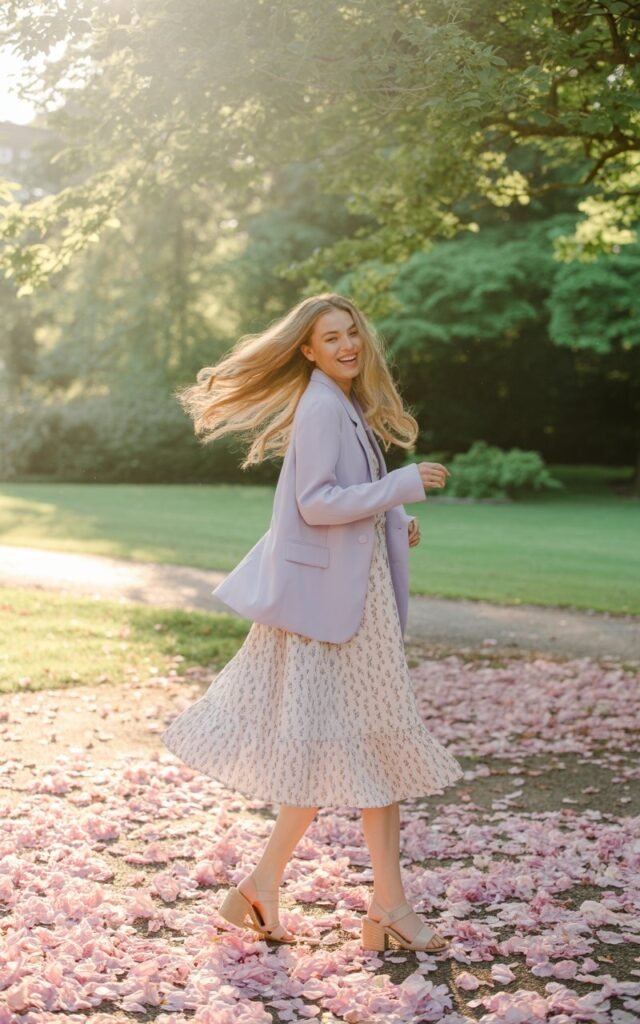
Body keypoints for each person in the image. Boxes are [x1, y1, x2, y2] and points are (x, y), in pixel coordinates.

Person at [161, 292, 464, 953]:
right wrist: (401, 484)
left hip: (352, 605)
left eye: (352, 332)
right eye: (331, 338)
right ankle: (378, 905)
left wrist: (393, 520)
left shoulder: (343, 403)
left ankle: (272, 890)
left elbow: (345, 502)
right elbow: (316, 503)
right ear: (308, 349)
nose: (347, 345)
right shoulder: (323, 406)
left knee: (357, 749)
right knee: (368, 748)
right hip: (336, 613)